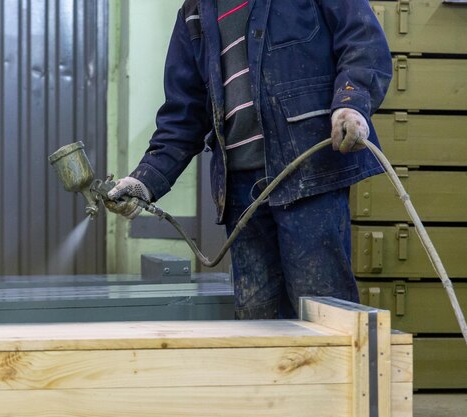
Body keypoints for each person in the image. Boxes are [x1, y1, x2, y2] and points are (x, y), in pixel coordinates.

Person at [105, 0, 392, 319]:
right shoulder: (194, 15)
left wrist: (351, 102)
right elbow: (183, 114)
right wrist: (144, 180)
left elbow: (363, 39)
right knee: (258, 317)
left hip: (307, 174)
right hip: (241, 193)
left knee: (322, 313)